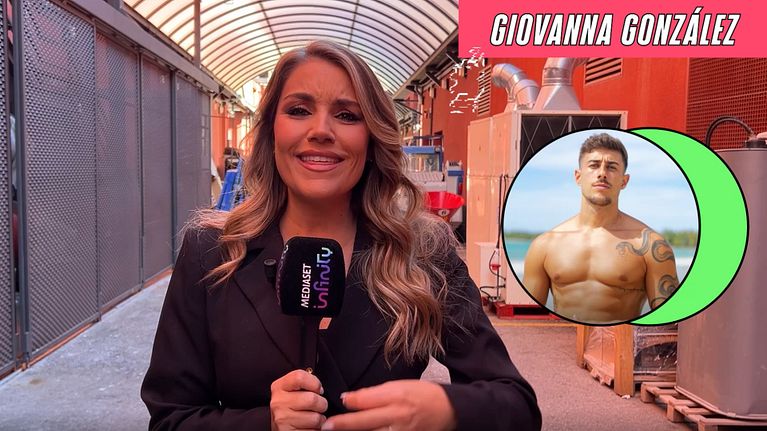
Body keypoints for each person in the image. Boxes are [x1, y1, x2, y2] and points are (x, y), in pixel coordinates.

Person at [141, 40, 541, 431]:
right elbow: (171, 418)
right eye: (299, 110)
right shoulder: (211, 252)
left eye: (348, 115)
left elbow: (517, 405)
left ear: (372, 138)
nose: (321, 130)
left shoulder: (424, 252)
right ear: (271, 131)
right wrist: (266, 423)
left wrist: (446, 408)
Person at [523, 133, 679, 324]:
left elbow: (669, 322)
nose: (602, 173)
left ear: (624, 181)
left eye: (611, 167)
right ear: (578, 177)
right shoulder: (545, 245)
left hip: (621, 342)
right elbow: (530, 319)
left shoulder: (649, 245)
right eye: (594, 165)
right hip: (562, 340)